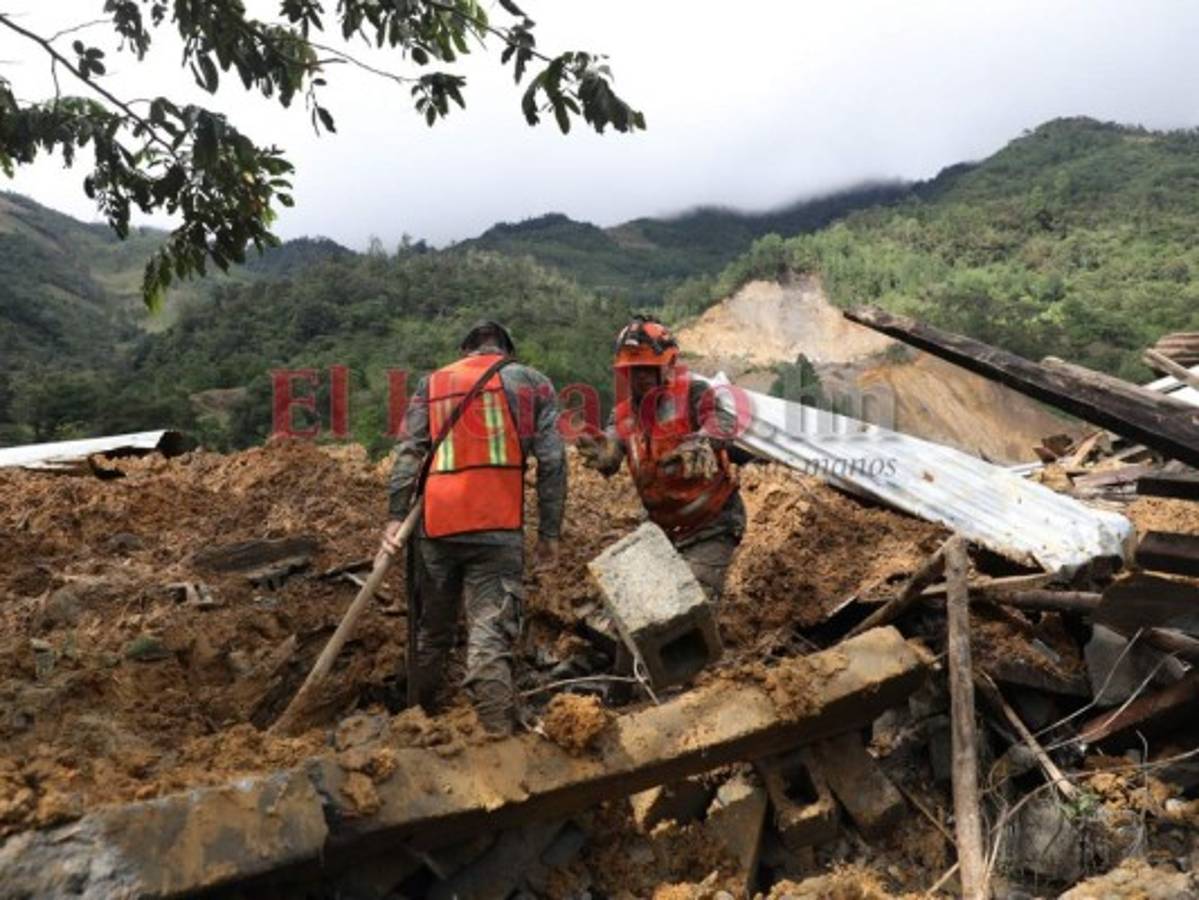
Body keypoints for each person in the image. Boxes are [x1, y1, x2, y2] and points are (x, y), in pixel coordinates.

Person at [384, 320, 565, 735]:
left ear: (466, 350)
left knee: (432, 634)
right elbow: (553, 462)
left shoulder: (433, 383)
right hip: (495, 525)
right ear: (506, 350)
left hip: (437, 526)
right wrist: (549, 535)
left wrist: (395, 517)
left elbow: (408, 454)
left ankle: (416, 724)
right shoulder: (532, 383)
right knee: (489, 632)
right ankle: (498, 736)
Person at [577, 314, 745, 602]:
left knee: (690, 607)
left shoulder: (693, 392)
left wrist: (704, 439)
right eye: (632, 370)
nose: (639, 377)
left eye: (646, 369)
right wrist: (606, 454)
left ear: (666, 366)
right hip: (660, 529)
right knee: (635, 608)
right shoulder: (623, 415)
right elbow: (613, 446)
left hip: (712, 523)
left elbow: (724, 421)